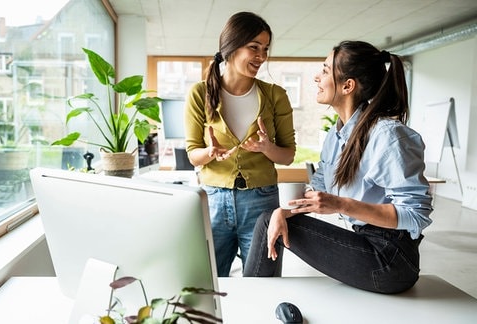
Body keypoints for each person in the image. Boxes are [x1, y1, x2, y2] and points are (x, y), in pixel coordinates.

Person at [243, 40, 434, 294]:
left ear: (347, 85)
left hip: (392, 260)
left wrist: (341, 204)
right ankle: (253, 301)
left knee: (268, 221)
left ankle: (247, 301)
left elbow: (416, 215)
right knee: (272, 217)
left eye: (324, 70)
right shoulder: (336, 137)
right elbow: (318, 187)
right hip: (365, 241)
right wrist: (284, 211)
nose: (316, 77)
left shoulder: (387, 136)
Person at [184, 12, 296, 277]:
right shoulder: (200, 94)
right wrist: (209, 153)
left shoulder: (275, 95)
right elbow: (193, 155)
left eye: (265, 49)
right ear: (231, 47)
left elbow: (288, 155)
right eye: (254, 47)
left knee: (263, 280)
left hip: (261, 201)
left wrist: (267, 148)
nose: (262, 56)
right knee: (209, 282)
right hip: (212, 199)